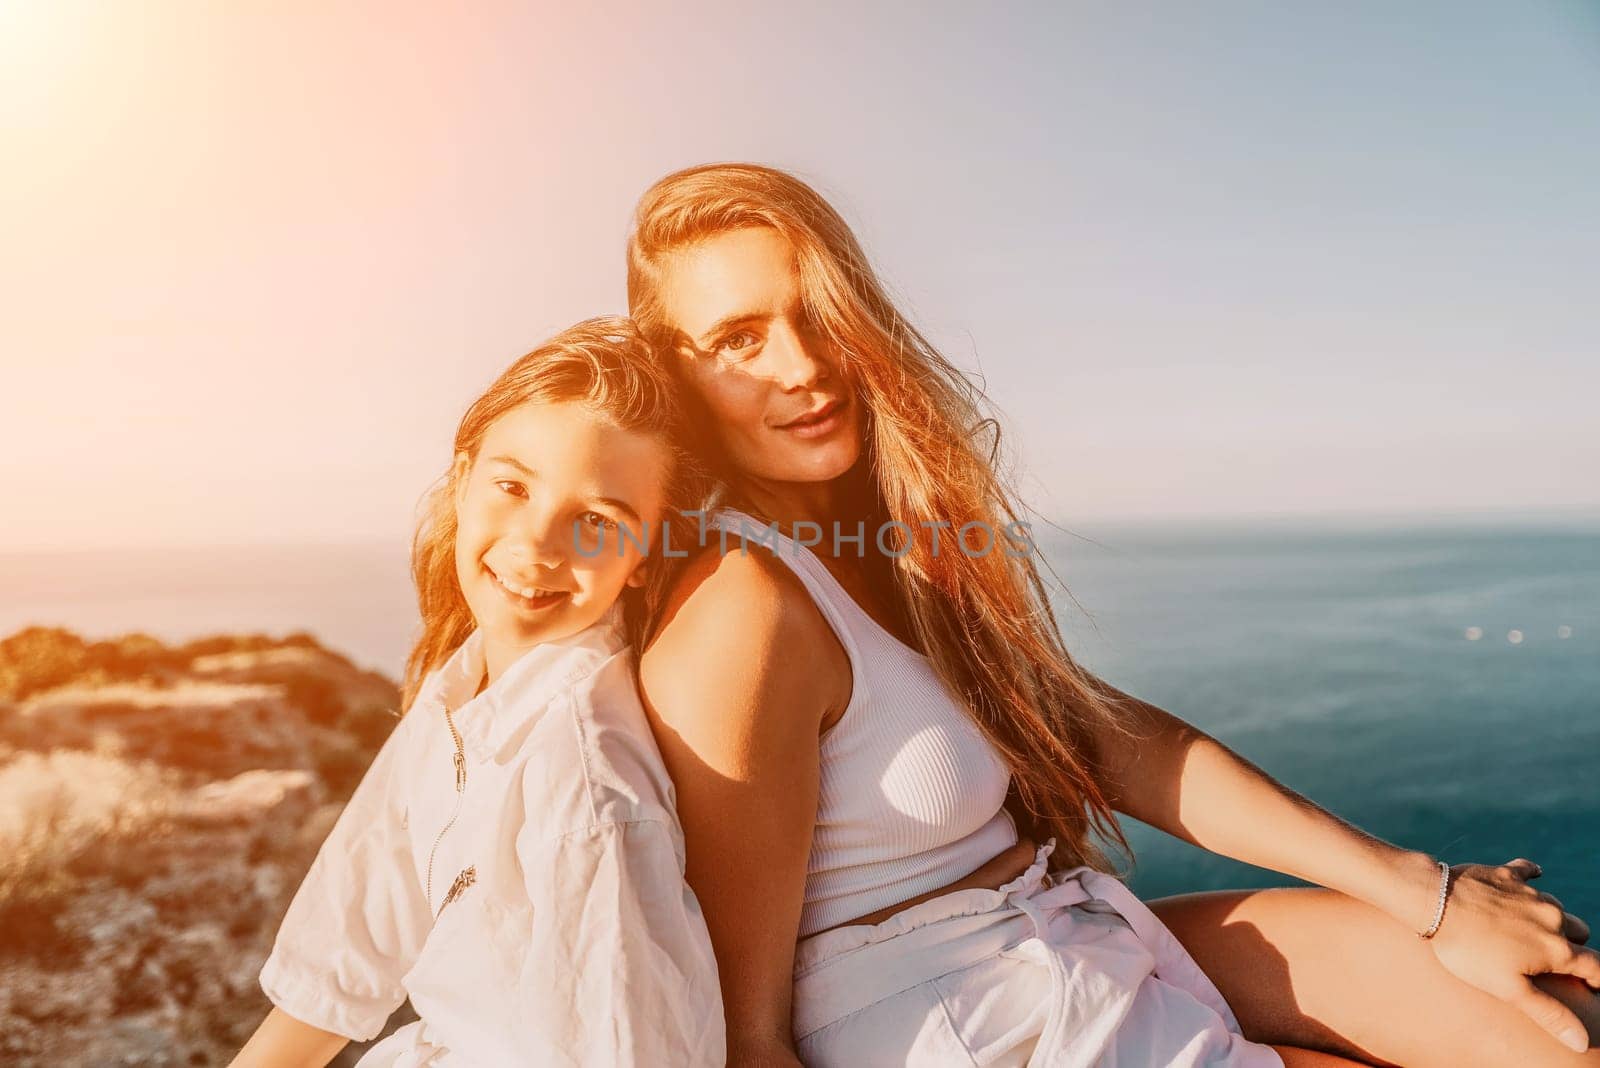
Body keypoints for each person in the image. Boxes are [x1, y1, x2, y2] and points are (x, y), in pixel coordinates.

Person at [623, 163, 1600, 1066]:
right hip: (958, 1015)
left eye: (819, 315)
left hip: (1066, 930)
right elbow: (745, 1022)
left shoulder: (884, 549)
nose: (802, 366)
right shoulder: (741, 607)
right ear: (676, 375)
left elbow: (1096, 734)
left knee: (1554, 1014)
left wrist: (1426, 894)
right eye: (738, 340)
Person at [231, 317, 725, 1067]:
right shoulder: (457, 689)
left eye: (596, 521)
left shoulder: (584, 783)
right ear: (462, 481)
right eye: (512, 487)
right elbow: (342, 953)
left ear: (648, 559)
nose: (537, 544)